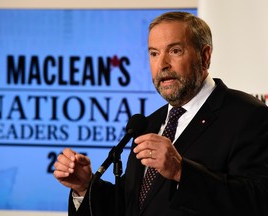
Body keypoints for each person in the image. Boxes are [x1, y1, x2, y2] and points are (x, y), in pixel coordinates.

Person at [53, 11, 268, 216]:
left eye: (175, 51)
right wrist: (85, 187)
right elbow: (133, 207)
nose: (162, 65)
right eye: (154, 53)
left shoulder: (249, 116)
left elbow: (258, 202)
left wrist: (181, 172)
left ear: (205, 56)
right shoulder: (149, 124)